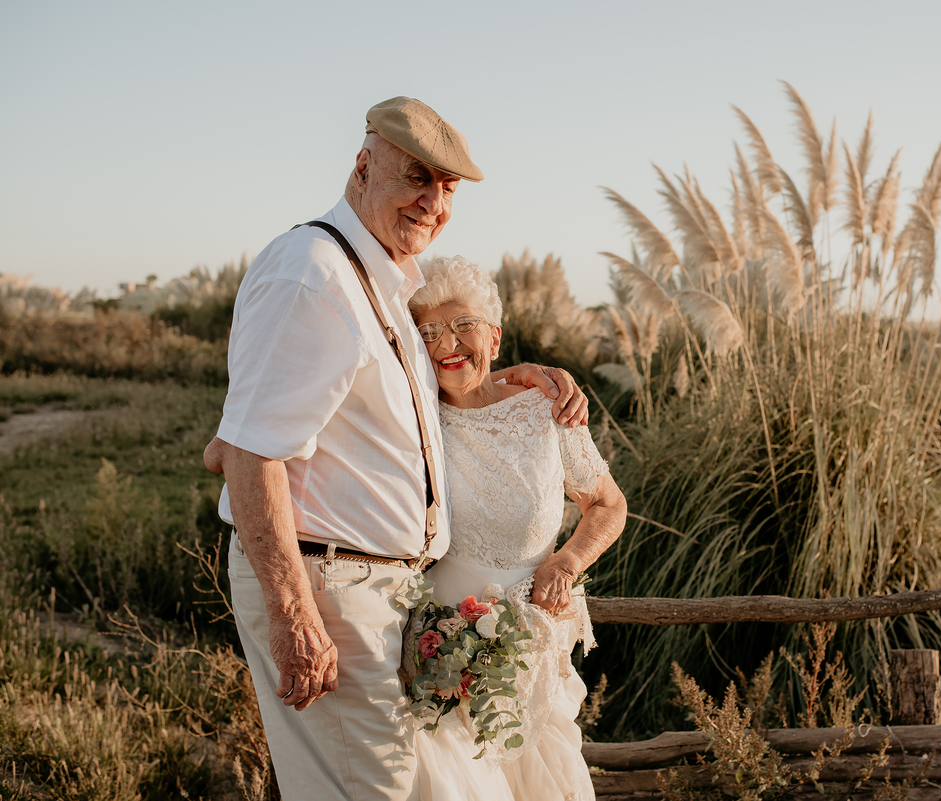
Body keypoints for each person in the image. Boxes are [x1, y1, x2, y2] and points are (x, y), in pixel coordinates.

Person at [203, 96, 588, 801]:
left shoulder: (379, 282)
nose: (433, 202)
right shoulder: (312, 274)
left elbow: (248, 434)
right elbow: (249, 454)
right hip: (327, 589)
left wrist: (509, 377)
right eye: (417, 176)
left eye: (447, 189)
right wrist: (295, 616)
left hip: (383, 596)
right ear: (362, 166)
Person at [408, 256, 626, 801]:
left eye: (464, 325)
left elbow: (606, 503)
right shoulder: (413, 417)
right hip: (437, 648)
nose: (447, 343)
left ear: (495, 335)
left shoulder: (546, 410)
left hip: (528, 644)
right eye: (429, 331)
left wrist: (569, 560)